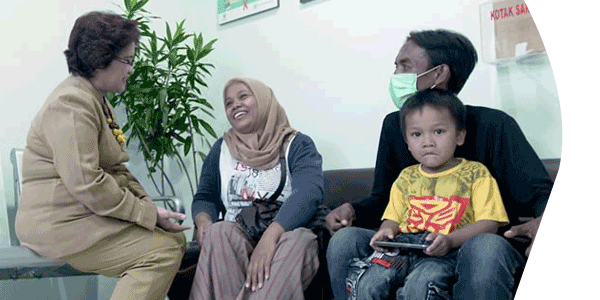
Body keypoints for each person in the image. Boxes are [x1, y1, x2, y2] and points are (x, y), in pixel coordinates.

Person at [326, 29, 554, 300]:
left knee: (485, 246)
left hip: (473, 243)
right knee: (344, 240)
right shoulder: (394, 125)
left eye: (405, 65)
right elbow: (386, 198)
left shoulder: (495, 125)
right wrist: (351, 209)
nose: (397, 74)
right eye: (417, 135)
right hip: (413, 244)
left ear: (438, 74)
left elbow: (540, 193)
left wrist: (547, 222)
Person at [15, 12, 189, 300]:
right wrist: (146, 213)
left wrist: (149, 209)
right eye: (128, 60)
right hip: (58, 225)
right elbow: (88, 182)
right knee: (162, 251)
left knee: (175, 238)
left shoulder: (95, 99)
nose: (131, 70)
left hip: (80, 215)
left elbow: (116, 168)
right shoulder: (71, 103)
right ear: (99, 59)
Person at [347, 89, 510, 300]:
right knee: (366, 282)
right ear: (406, 141)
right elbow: (393, 218)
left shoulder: (476, 174)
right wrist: (385, 232)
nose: (427, 142)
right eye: (416, 134)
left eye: (439, 132)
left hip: (445, 251)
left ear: (460, 136)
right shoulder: (405, 177)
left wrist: (450, 241)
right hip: (402, 248)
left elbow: (490, 223)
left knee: (420, 285)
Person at [188, 77, 323, 300]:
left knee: (298, 241)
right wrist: (203, 221)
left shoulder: (297, 144)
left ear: (263, 100)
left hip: (286, 233)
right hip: (239, 231)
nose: (235, 105)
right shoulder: (222, 149)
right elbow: (205, 196)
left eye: (243, 96)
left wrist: (270, 238)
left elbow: (308, 192)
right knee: (219, 232)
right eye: (229, 103)